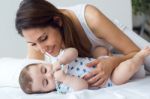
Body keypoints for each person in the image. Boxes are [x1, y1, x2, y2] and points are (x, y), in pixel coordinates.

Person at [15, 0, 150, 88]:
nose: (41, 49)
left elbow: (134, 52)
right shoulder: (35, 37)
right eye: (33, 44)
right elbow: (30, 77)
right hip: (99, 61)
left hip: (117, 46)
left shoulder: (91, 18)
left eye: (44, 38)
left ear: (58, 21)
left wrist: (112, 62)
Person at [19, 47, 150, 94]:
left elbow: (74, 52)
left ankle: (111, 55)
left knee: (99, 48)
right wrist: (65, 78)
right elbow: (83, 86)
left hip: (99, 60)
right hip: (110, 79)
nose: (49, 75)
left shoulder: (58, 60)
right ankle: (139, 56)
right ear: (45, 91)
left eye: (44, 70)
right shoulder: (62, 87)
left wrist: (62, 61)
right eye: (46, 82)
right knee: (127, 68)